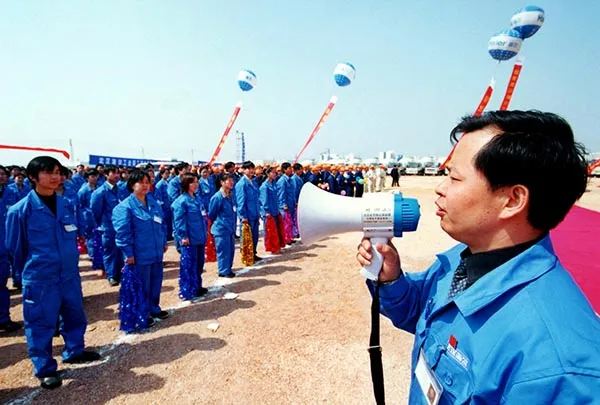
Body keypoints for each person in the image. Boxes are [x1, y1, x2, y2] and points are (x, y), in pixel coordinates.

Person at [356, 111, 600, 403]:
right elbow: (421, 313)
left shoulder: (560, 367)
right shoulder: (461, 259)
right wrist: (392, 280)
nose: (440, 188)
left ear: (512, 200)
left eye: (455, 178)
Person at [6, 156, 100, 389]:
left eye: (57, 171)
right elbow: (16, 249)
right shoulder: (21, 210)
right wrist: (34, 268)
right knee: (40, 323)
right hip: (40, 278)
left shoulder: (64, 203)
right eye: (49, 172)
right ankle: (44, 368)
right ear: (33, 177)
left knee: (74, 314)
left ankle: (74, 350)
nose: (55, 176)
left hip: (68, 274)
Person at [112, 169, 169, 327]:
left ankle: (154, 308)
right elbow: (123, 233)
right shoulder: (125, 207)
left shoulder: (153, 203)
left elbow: (161, 225)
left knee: (155, 282)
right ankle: (142, 313)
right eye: (141, 183)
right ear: (132, 185)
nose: (145, 186)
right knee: (142, 285)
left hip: (156, 251)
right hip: (139, 254)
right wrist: (128, 253)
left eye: (147, 182)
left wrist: (163, 242)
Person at [172, 173, 209, 299]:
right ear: (186, 184)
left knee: (199, 264)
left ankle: (197, 286)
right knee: (189, 266)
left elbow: (203, 216)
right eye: (193, 182)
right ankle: (188, 289)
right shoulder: (181, 201)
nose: (196, 184)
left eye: (197, 182)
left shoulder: (197, 199)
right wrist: (183, 236)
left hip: (199, 236)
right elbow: (179, 222)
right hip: (190, 239)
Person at [91, 165, 124, 286]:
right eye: (113, 173)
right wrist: (103, 225)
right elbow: (96, 212)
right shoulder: (100, 192)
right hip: (108, 227)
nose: (117, 176)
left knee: (120, 250)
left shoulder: (120, 190)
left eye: (118, 173)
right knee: (109, 251)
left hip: (120, 226)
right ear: (106, 175)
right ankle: (111, 275)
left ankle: (120, 273)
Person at [0, 165, 21, 333]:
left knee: (1, 285)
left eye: (2, 174)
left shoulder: (10, 194)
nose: (1, 177)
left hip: (5, 246)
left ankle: (3, 319)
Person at [208, 173, 236, 278]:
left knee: (230, 250)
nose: (232, 182)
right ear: (222, 183)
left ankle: (228, 269)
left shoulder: (230, 195)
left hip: (230, 228)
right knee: (223, 251)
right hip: (221, 229)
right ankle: (223, 271)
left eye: (232, 180)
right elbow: (212, 214)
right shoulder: (217, 197)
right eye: (229, 180)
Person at [235, 161, 262, 261]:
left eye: (252, 168)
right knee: (246, 237)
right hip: (247, 216)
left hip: (254, 214)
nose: (251, 171)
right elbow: (240, 202)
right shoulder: (241, 184)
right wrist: (243, 216)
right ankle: (246, 255)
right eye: (248, 168)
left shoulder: (253, 182)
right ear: (243, 170)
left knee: (254, 236)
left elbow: (257, 198)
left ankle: (253, 253)